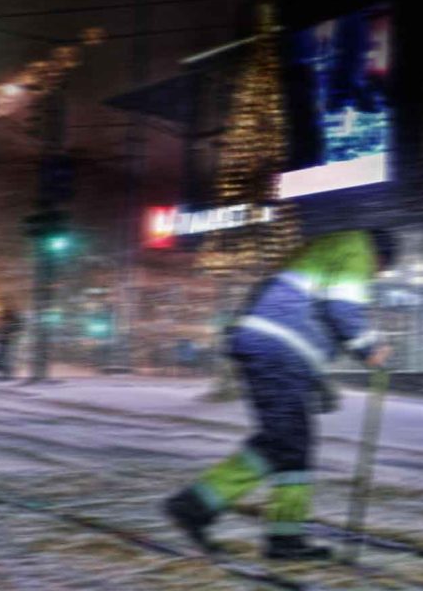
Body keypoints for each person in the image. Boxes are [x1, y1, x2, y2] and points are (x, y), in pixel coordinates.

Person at [164, 228, 395, 560]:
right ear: (380, 257)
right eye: (378, 271)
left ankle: (283, 537)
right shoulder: (357, 249)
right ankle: (196, 505)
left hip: (275, 350)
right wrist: (371, 347)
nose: (373, 277)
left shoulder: (329, 247)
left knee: (290, 444)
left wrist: (315, 379)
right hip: (276, 349)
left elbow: (309, 312)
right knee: (284, 442)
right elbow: (341, 310)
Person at [0, 295, 21, 381]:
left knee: (7, 358)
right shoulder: (3, 314)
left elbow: (16, 326)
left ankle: (7, 375)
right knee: (4, 358)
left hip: (8, 340)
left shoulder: (11, 314)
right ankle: (5, 374)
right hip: (3, 340)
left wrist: (9, 331)